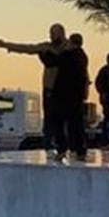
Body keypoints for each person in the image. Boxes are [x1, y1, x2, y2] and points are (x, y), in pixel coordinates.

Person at [0, 23, 70, 151]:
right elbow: (26, 48)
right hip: (50, 88)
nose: (51, 35)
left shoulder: (70, 48)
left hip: (67, 88)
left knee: (66, 118)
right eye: (50, 33)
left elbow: (80, 67)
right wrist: (6, 45)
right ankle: (48, 146)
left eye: (54, 33)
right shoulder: (45, 47)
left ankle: (66, 146)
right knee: (50, 118)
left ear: (62, 33)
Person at [43, 33, 89, 161]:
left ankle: (62, 149)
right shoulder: (83, 56)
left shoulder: (68, 55)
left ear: (71, 43)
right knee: (76, 124)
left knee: (58, 122)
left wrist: (42, 52)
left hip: (63, 96)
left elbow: (51, 62)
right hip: (76, 96)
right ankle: (80, 151)